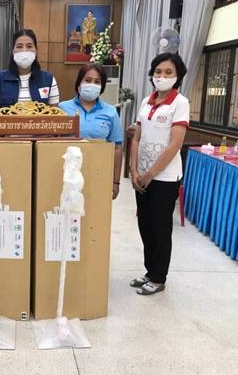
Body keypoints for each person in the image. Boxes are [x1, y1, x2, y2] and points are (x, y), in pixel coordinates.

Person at [129, 52, 189, 295]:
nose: (162, 76)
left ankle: (159, 277)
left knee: (160, 228)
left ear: (177, 76)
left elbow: (175, 145)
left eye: (168, 72)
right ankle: (149, 271)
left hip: (164, 178)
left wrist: (150, 173)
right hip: (141, 176)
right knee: (145, 225)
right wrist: (134, 169)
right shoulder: (146, 101)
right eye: (158, 72)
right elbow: (137, 138)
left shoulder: (180, 103)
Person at [59, 63, 123, 199]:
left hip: (98, 172)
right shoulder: (62, 108)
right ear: (79, 83)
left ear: (102, 86)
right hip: (66, 174)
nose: (92, 85)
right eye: (87, 80)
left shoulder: (110, 111)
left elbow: (117, 148)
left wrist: (115, 181)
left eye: (97, 82)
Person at [0, 29, 59, 111]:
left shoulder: (49, 79)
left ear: (36, 50)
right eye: (19, 46)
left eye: (29, 46)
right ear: (13, 51)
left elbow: (55, 114)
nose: (24, 51)